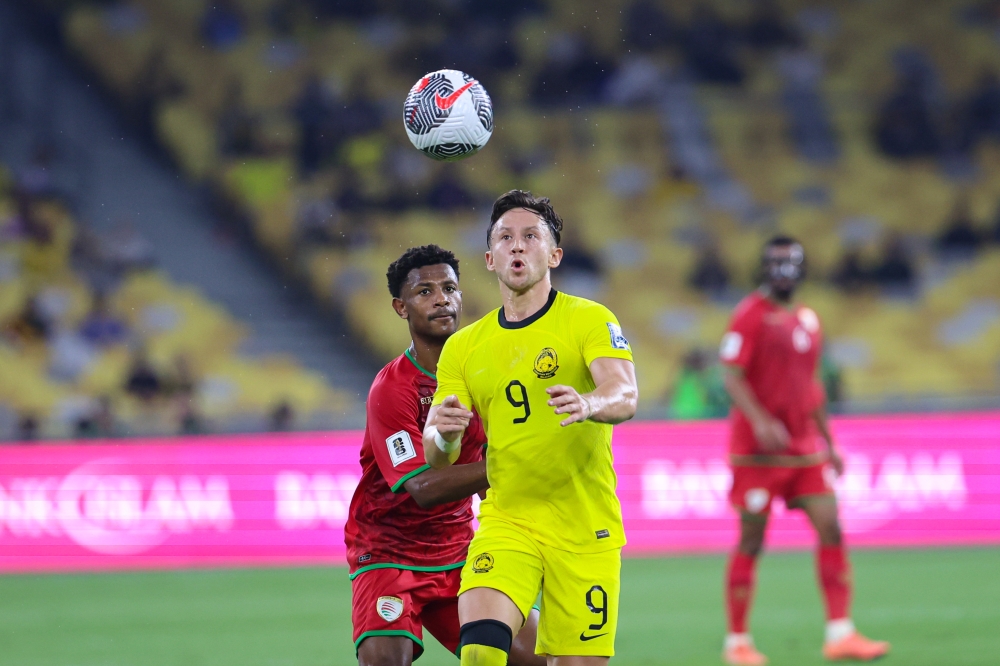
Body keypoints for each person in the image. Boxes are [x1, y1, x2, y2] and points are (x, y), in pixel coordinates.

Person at [423, 191, 638, 666]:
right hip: (508, 521)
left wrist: (589, 402)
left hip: (585, 528)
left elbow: (625, 394)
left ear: (554, 254)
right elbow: (435, 454)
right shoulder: (463, 347)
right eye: (505, 238)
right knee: (479, 651)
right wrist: (446, 435)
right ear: (490, 259)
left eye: (530, 236)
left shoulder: (589, 319)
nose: (517, 245)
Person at [344, 244, 543, 666]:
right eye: (425, 292)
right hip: (389, 553)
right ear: (401, 307)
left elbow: (496, 476)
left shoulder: (485, 377)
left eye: (449, 288)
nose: (441, 299)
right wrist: (512, 463)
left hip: (460, 552)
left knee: (548, 657)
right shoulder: (392, 389)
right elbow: (422, 487)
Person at [718, 236, 889, 665]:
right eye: (776, 263)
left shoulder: (809, 320)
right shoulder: (749, 315)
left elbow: (812, 386)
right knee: (752, 540)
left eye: (790, 263)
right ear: (764, 268)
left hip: (804, 452)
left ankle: (840, 634)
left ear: (802, 269)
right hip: (758, 454)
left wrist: (830, 442)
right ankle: (737, 642)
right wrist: (760, 420)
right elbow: (732, 375)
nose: (783, 271)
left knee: (831, 527)